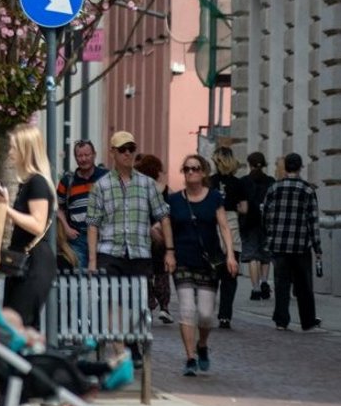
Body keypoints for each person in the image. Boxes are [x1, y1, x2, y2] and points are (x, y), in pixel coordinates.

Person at [86, 131, 175, 363]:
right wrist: (92, 260)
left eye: (131, 149)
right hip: (109, 252)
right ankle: (122, 348)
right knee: (112, 301)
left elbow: (164, 216)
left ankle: (132, 343)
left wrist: (170, 251)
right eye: (122, 149)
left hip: (139, 252)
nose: (127, 153)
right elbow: (93, 224)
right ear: (113, 152)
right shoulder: (101, 186)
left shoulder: (147, 185)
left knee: (136, 301)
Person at [0, 123, 56, 406]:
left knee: (15, 328)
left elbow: (37, 224)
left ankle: (16, 400)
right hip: (27, 264)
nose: (10, 152)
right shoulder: (30, 183)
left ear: (27, 149)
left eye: (14, 147)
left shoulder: (37, 183)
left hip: (34, 264)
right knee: (21, 329)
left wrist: (7, 210)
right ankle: (21, 398)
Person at [166, 155, 238, 376]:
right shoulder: (174, 200)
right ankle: (190, 357)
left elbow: (224, 227)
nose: (191, 172)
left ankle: (202, 344)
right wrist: (169, 252)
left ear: (204, 172)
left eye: (195, 168)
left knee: (206, 315)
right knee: (187, 310)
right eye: (187, 169)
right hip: (183, 260)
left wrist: (230, 255)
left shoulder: (214, 197)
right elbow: (167, 226)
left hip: (208, 262)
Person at [263, 153, 323, 331]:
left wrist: (270, 235)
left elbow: (265, 215)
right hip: (300, 245)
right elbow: (313, 221)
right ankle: (308, 321)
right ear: (300, 167)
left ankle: (281, 320)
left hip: (279, 244)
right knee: (304, 285)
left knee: (281, 283)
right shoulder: (307, 190)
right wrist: (317, 247)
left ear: (285, 167)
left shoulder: (274, 188)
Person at [210, 147, 248, 329]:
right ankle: (225, 316)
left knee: (211, 275)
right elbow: (244, 209)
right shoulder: (238, 183)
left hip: (213, 227)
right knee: (230, 276)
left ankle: (206, 310)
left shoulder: (209, 182)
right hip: (231, 225)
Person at [134, 154, 173, 324]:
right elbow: (170, 212)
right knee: (162, 273)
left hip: (143, 235)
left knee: (145, 272)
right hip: (161, 236)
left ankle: (149, 303)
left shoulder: (140, 188)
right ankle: (164, 307)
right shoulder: (165, 189)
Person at [56, 140, 107, 268]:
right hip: (77, 239)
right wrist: (66, 228)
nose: (83, 159)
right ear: (75, 158)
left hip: (103, 237)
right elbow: (57, 207)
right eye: (80, 156)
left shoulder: (106, 177)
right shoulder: (67, 180)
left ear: (94, 155)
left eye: (87, 155)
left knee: (102, 275)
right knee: (79, 276)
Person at [240, 151, 275, 300]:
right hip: (267, 222)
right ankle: (264, 282)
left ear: (249, 164)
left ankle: (255, 289)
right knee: (265, 255)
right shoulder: (271, 181)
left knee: (252, 256)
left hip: (249, 222)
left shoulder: (243, 182)